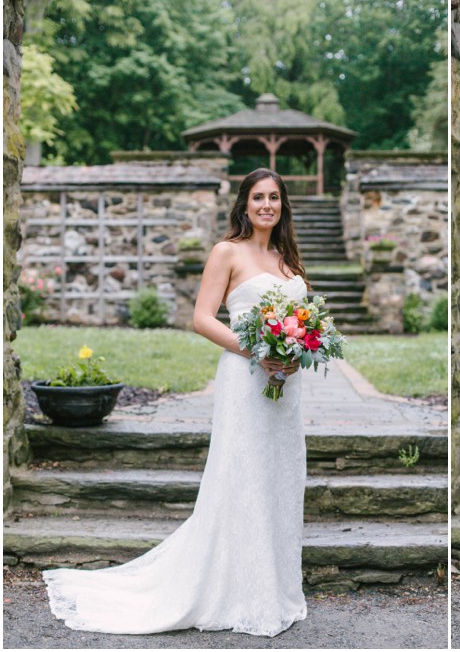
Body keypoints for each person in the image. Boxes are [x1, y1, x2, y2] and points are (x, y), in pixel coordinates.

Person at [43, 168, 311, 636]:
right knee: (241, 476)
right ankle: (236, 591)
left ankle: (274, 586)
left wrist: (297, 352)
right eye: (257, 197)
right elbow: (202, 319)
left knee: (280, 477)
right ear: (244, 205)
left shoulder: (289, 261)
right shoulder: (226, 252)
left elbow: (304, 322)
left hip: (285, 390)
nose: (266, 205)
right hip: (244, 379)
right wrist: (259, 352)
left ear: (283, 205)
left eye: (274, 197)